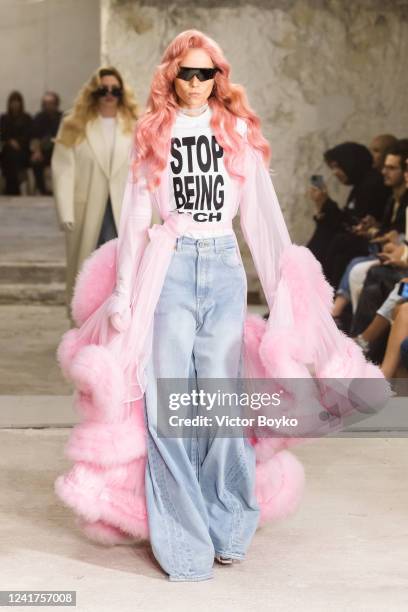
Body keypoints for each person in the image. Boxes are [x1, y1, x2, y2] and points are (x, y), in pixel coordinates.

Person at [53, 30, 391, 583]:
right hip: (170, 269)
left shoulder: (234, 131)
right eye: (186, 73)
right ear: (171, 75)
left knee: (219, 405)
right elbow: (137, 219)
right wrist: (122, 292)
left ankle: (229, 522)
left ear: (218, 77)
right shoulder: (153, 132)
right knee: (170, 406)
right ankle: (182, 540)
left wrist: (286, 291)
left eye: (205, 73)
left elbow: (259, 216)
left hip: (224, 270)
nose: (194, 83)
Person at [51, 66, 139, 323]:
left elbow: (146, 169)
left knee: (120, 269)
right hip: (87, 208)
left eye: (115, 90)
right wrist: (66, 210)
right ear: (93, 92)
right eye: (103, 89)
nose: (109, 94)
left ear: (122, 93)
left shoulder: (135, 125)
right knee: (85, 269)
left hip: (123, 208)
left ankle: (119, 323)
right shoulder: (74, 123)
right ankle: (83, 323)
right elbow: (63, 169)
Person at [332, 141, 408, 324]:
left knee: (394, 290)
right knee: (366, 272)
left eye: (392, 168)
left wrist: (399, 253)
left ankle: (358, 335)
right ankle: (357, 334)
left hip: (402, 267)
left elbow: (400, 238)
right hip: (400, 262)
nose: (383, 171)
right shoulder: (394, 199)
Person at [307, 141, 391, 287]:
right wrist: (323, 205)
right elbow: (347, 219)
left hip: (370, 245)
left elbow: (352, 222)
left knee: (336, 242)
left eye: (337, 166)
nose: (335, 172)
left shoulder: (372, 184)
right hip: (356, 241)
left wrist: (326, 204)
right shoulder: (361, 185)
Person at [30, 91, 62, 195]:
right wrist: (37, 151)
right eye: (46, 103)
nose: (48, 106)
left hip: (59, 151)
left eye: (51, 103)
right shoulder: (39, 118)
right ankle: (43, 191)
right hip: (43, 151)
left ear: (56, 104)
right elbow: (34, 137)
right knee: (35, 162)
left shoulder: (63, 118)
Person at [0, 91, 32, 195]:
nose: (15, 104)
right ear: (9, 103)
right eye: (12, 102)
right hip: (7, 150)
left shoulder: (27, 118)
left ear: (21, 103)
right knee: (10, 153)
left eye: (17, 102)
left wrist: (19, 143)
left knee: (14, 155)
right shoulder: (4, 118)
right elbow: (2, 134)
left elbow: (29, 135)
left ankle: (11, 190)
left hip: (23, 149)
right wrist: (10, 141)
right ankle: (14, 189)